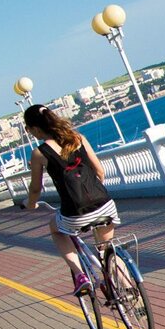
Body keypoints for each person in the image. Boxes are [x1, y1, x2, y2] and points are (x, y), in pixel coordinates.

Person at [22, 104, 117, 295]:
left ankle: (80, 274)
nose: (30, 133)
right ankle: (127, 288)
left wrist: (30, 204)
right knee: (108, 250)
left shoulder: (39, 153)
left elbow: (35, 188)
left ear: (35, 128)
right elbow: (100, 171)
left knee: (56, 229)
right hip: (105, 203)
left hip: (75, 212)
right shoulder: (78, 138)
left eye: (28, 129)